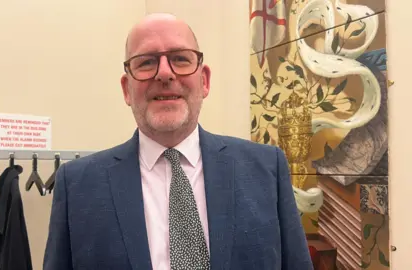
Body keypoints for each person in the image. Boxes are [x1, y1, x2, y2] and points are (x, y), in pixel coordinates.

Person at [43, 13, 313, 270]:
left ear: (204, 81)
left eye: (180, 59)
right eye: (146, 62)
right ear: (127, 89)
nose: (164, 73)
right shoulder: (77, 186)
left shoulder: (266, 169)